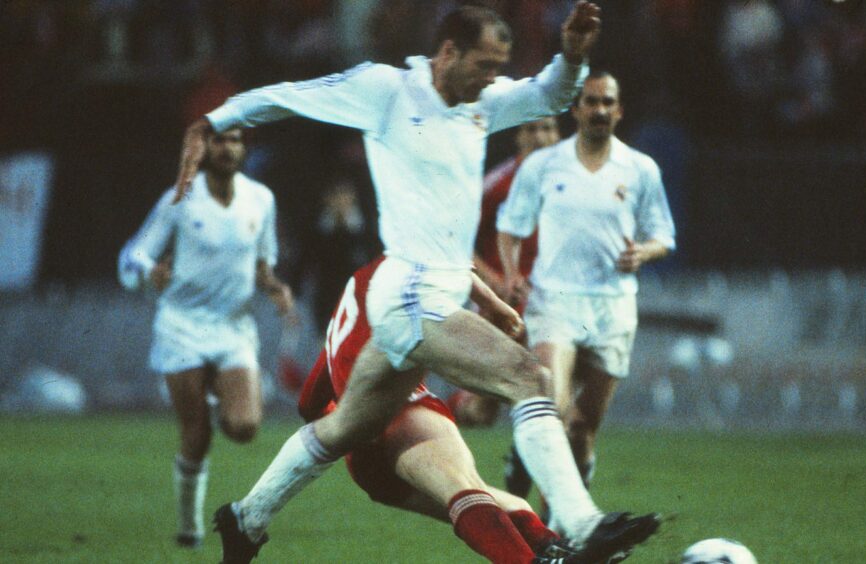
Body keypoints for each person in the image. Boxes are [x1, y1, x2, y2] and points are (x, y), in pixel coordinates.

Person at [175, 4, 660, 562]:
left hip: (436, 295)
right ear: (448, 52)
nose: (490, 78)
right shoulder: (386, 91)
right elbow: (289, 94)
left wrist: (572, 56)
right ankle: (580, 522)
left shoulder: (482, 102)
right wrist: (213, 121)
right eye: (482, 65)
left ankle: (246, 518)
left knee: (344, 428)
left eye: (498, 66)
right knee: (529, 376)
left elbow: (549, 94)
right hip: (405, 293)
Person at [286, 255, 582, 563]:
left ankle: (553, 546)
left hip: (363, 463)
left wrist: (344, 426)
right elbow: (453, 273)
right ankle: (557, 549)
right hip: (403, 412)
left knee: (481, 498)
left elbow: (308, 403)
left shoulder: (353, 297)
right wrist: (493, 303)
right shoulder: (406, 276)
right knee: (464, 488)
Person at [496, 71, 676, 516]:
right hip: (554, 301)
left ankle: (561, 497)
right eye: (590, 101)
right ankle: (556, 532)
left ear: (619, 110)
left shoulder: (640, 169)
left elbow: (664, 236)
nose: (598, 110)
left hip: (613, 306)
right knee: (552, 413)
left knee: (582, 429)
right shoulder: (543, 165)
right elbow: (510, 226)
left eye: (606, 102)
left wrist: (643, 253)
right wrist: (512, 271)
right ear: (575, 110)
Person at [118, 128, 296, 547]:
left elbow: (262, 262)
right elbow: (134, 253)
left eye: (235, 140)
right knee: (196, 432)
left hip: (233, 327)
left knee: (245, 426)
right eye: (219, 141)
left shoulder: (261, 199)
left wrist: (274, 287)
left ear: (243, 148)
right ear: (204, 149)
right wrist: (149, 272)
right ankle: (189, 526)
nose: (227, 148)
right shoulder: (180, 198)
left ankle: (216, 391)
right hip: (182, 324)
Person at [450, 116, 562, 429]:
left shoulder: (570, 184)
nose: (540, 137)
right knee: (483, 408)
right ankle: (454, 414)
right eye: (531, 129)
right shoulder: (496, 184)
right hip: (503, 302)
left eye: (547, 128)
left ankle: (528, 458)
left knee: (550, 389)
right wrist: (493, 281)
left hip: (552, 300)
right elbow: (458, 239)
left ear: (558, 135)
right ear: (518, 136)